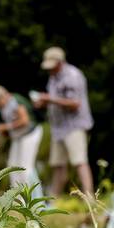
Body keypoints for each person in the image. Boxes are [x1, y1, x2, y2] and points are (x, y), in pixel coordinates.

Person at [33, 46, 94, 199]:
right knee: (58, 165)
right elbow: (56, 100)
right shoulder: (53, 76)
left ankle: (90, 199)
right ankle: (54, 200)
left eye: (52, 66)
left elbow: (75, 104)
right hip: (58, 128)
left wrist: (49, 99)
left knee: (80, 161)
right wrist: (43, 103)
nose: (49, 70)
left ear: (60, 62)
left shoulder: (73, 76)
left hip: (74, 126)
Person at [0, 85, 42, 189]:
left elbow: (25, 121)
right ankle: (17, 197)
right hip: (18, 137)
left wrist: (3, 127)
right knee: (13, 165)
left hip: (30, 134)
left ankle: (29, 198)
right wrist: (3, 131)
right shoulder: (2, 106)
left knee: (25, 167)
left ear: (1, 97)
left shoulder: (15, 100)